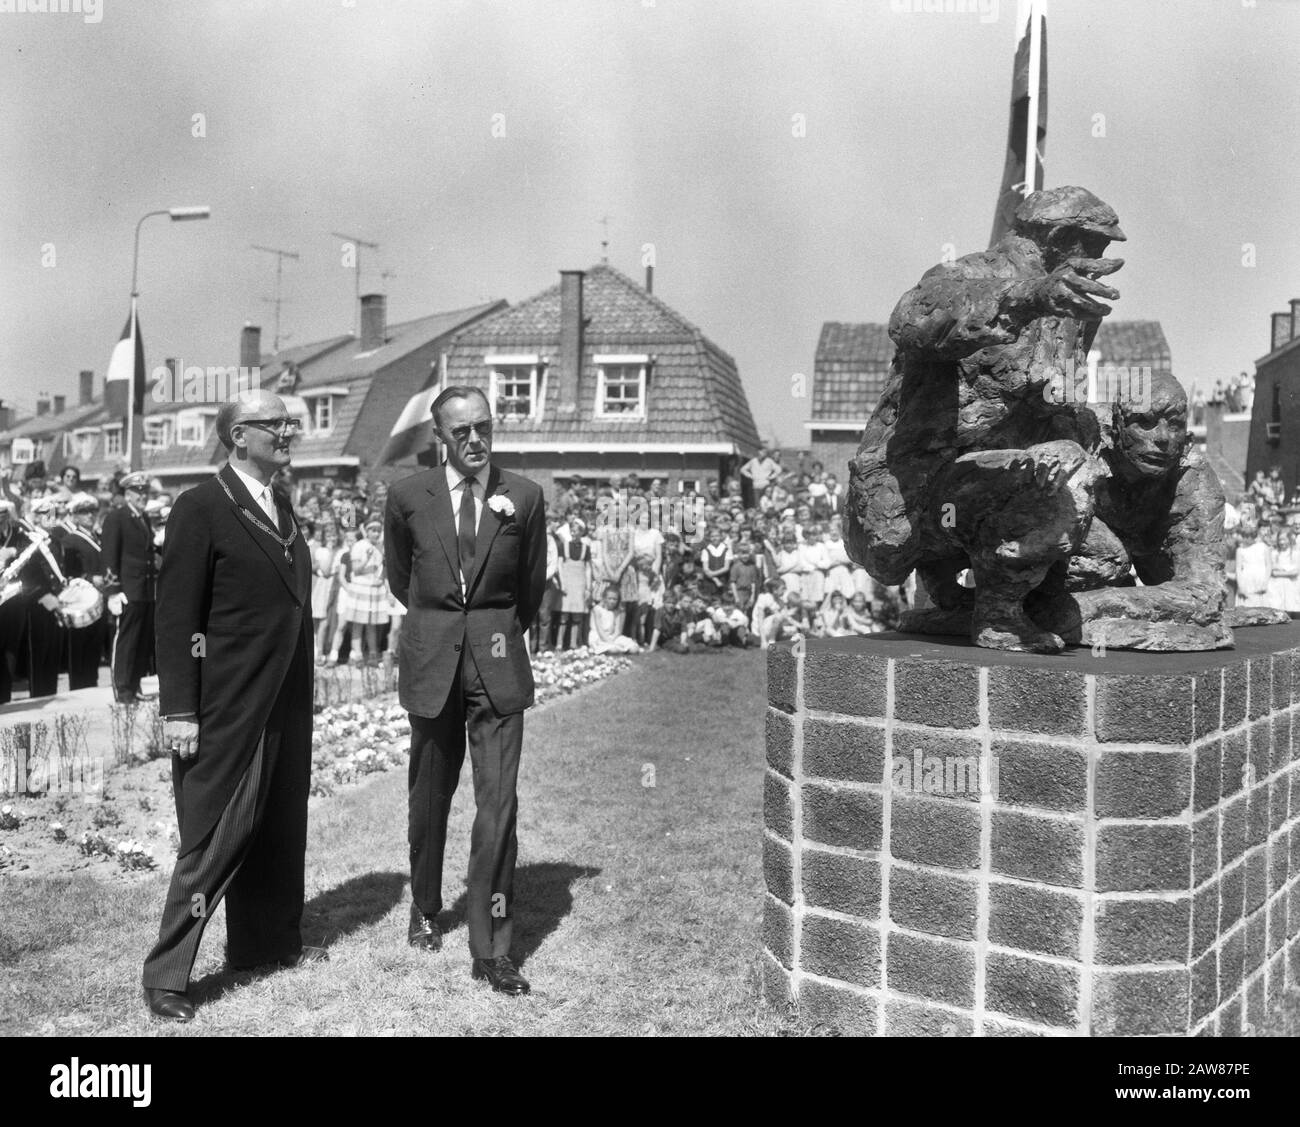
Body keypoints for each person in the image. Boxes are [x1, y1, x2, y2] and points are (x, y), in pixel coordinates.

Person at [142, 391, 320, 1023]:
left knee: (278, 821)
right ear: (239, 436)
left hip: (284, 694)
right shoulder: (200, 506)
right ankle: (166, 975)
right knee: (215, 830)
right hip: (226, 699)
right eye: (277, 425)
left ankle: (265, 942)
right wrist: (180, 711)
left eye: (289, 423)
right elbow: (176, 617)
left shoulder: (280, 501)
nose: (289, 432)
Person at [384, 385, 547, 996]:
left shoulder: (524, 498)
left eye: (484, 427)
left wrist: (492, 636)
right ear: (440, 439)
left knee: (498, 804)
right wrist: (441, 630)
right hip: (432, 666)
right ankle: (426, 906)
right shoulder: (406, 497)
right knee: (429, 796)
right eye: (462, 432)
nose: (475, 440)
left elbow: (528, 591)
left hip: (498, 667)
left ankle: (492, 945)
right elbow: (404, 578)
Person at [101, 472, 157, 704]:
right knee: (126, 641)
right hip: (127, 589)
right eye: (138, 492)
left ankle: (134, 686)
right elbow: (110, 555)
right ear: (127, 494)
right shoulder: (117, 517)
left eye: (145, 492)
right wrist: (113, 590)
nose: (143, 496)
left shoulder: (142, 518)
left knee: (141, 641)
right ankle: (122, 689)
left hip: (144, 589)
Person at [59, 493, 108, 690]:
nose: (89, 515)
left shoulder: (100, 537)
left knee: (95, 643)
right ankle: (78, 686)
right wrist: (89, 578)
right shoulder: (70, 539)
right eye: (83, 512)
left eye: (92, 511)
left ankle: (92, 682)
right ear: (75, 515)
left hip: (99, 596)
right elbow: (69, 572)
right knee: (79, 645)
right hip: (81, 598)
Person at [557, 515, 593, 650]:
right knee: (564, 614)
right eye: (572, 530)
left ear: (582, 532)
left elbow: (588, 568)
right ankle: (560, 644)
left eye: (576, 530)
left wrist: (588, 587)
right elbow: (559, 565)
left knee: (577, 614)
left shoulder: (586, 548)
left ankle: (573, 643)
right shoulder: (563, 545)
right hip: (567, 583)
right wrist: (562, 583)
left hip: (580, 584)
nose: (573, 533)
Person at [590, 584, 641, 654]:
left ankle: (621, 648)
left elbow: (617, 631)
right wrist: (611, 643)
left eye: (614, 599)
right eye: (609, 598)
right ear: (604, 598)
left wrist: (613, 640)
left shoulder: (617, 611)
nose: (612, 601)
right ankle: (615, 649)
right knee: (614, 650)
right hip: (599, 636)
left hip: (612, 636)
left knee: (634, 649)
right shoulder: (597, 610)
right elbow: (600, 631)